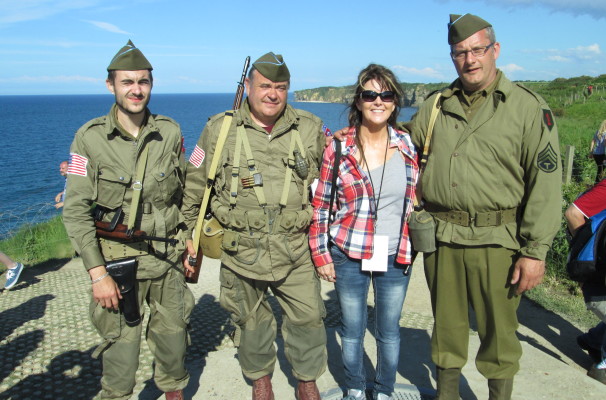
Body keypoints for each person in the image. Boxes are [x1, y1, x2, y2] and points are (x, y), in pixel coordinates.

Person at [405, 14, 562, 400]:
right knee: (447, 330)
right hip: (443, 239)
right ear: (452, 57)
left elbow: (545, 185)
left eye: (478, 50)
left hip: (499, 241)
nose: (470, 59)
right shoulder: (437, 105)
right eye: (460, 52)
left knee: (499, 337)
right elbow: (401, 143)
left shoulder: (526, 107)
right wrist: (359, 129)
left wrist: (535, 251)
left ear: (495, 50)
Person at [182, 52, 327, 400]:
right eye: (265, 86)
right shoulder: (219, 128)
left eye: (281, 87)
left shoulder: (309, 127)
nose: (272, 94)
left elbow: (328, 180)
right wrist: (190, 233)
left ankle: (306, 380)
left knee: (308, 319)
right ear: (248, 86)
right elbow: (195, 182)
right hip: (240, 248)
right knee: (250, 322)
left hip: (294, 249)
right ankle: (261, 380)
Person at [62, 40, 193, 400]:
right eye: (127, 82)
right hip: (118, 267)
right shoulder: (89, 139)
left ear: (151, 84)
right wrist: (97, 274)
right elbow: (74, 210)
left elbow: (184, 194)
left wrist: (189, 241)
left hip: (167, 264)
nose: (136, 90)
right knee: (120, 356)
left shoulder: (169, 131)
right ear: (111, 85)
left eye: (144, 82)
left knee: (173, 346)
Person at [309, 64, 418, 400]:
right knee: (352, 331)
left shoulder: (406, 146)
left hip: (396, 253)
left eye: (385, 95)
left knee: (388, 332)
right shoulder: (338, 148)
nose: (378, 101)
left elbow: (414, 197)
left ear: (395, 101)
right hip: (347, 251)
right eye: (370, 94)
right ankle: (356, 388)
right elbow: (321, 204)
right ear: (358, 101)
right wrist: (321, 253)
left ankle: (384, 390)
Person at [565, 181, 606, 385]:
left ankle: (595, 340)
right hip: (598, 278)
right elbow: (573, 214)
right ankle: (603, 367)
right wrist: (585, 255)